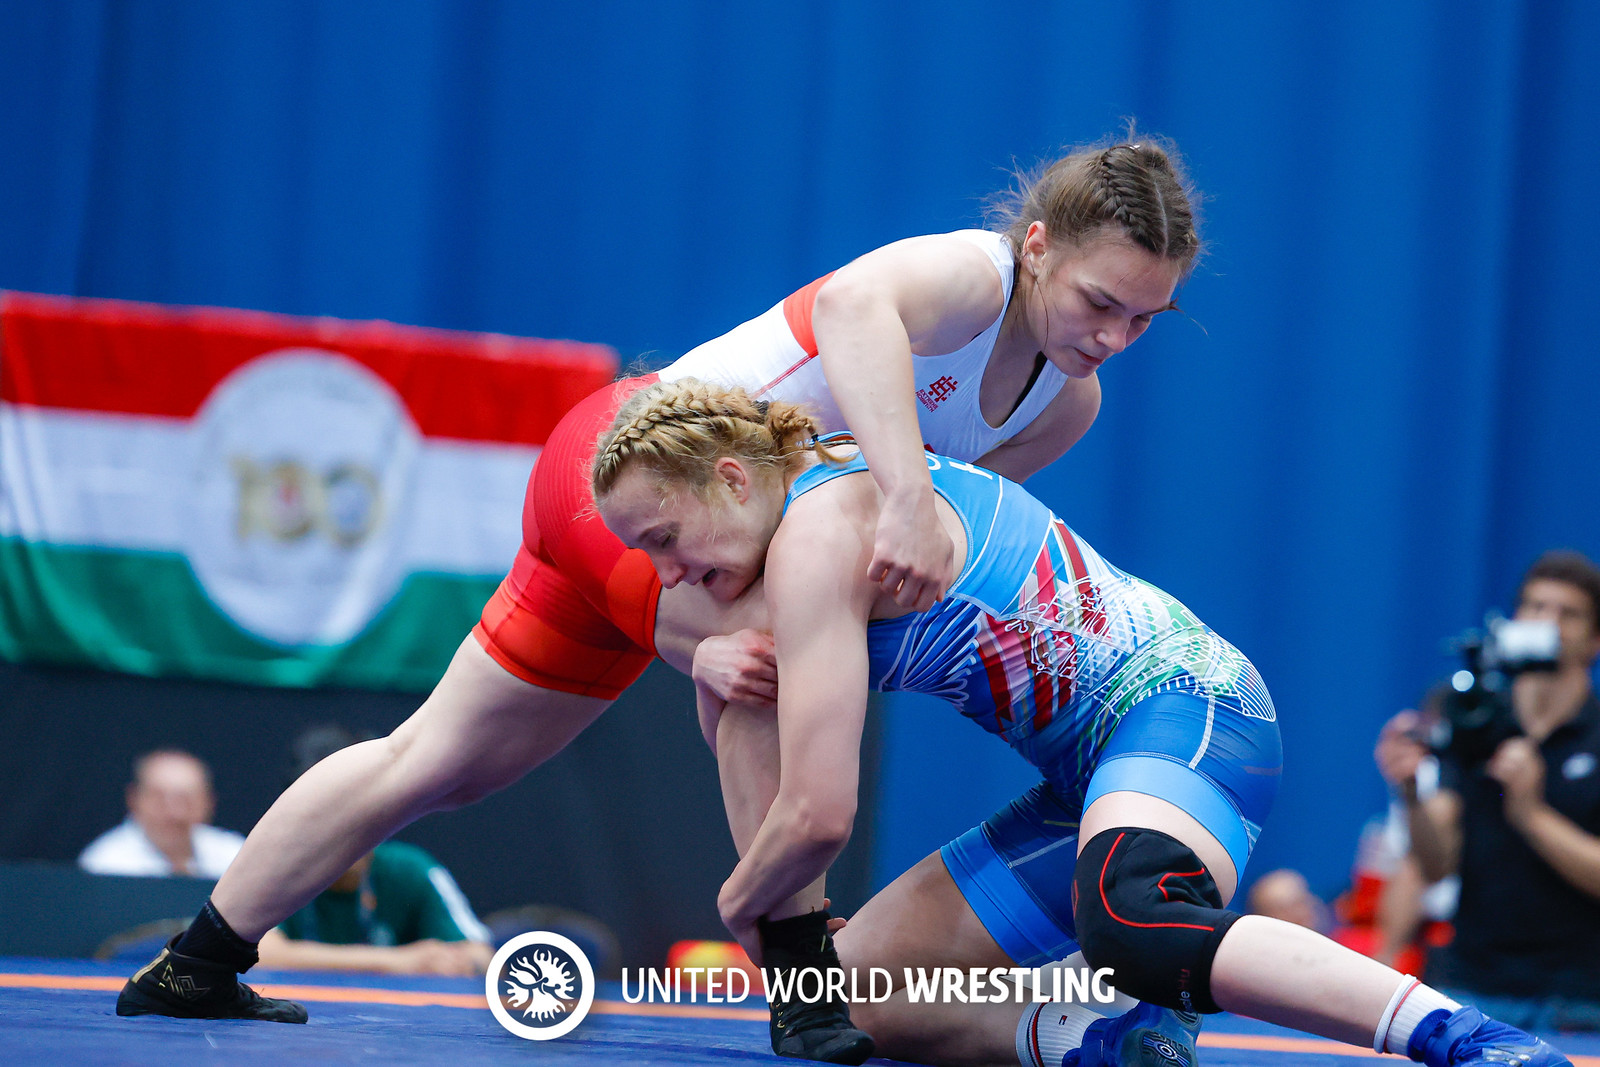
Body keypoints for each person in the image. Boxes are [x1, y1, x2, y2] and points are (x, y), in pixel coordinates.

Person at [114, 135, 1205, 1039]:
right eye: (1098, 301)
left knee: (437, 762)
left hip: (664, 541)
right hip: (618, 476)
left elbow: (917, 550)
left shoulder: (1067, 403)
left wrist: (895, 542)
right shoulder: (967, 276)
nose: (1110, 338)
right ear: (1035, 245)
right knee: (754, 662)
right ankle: (800, 980)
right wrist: (906, 496)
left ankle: (196, 956)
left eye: (1142, 322)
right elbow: (854, 312)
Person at [589, 378, 1574, 1067]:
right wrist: (791, 935)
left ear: (729, 475)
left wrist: (748, 903)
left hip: (1189, 706)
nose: (666, 572)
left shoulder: (818, 524)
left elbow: (812, 818)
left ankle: (1468, 1039)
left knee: (1135, 913)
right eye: (644, 554)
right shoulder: (743, 572)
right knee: (844, 1000)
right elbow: (732, 699)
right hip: (1087, 778)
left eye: (664, 539)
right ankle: (1091, 1038)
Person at [1375, 550, 1600, 1032]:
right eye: (1535, 608)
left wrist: (1531, 814)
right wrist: (1411, 792)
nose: (1549, 624)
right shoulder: (1475, 716)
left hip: (1582, 1001)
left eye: (1568, 613)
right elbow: (1436, 863)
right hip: (1472, 986)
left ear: (1594, 640)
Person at [254, 726, 494, 976]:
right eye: (328, 814)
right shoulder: (271, 870)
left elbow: (481, 956)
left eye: (355, 810)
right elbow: (258, 953)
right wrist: (395, 961)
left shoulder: (413, 869)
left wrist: (462, 965)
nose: (344, 830)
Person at [80, 750, 245, 879]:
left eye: (186, 800)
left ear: (209, 802)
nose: (175, 813)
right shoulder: (103, 864)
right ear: (134, 799)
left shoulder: (236, 856)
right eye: (160, 799)